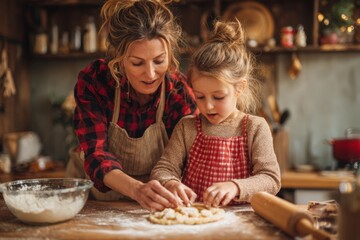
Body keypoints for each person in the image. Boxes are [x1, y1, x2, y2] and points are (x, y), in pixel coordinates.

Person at [65, 0, 198, 211]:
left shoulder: (178, 92)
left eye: (159, 60)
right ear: (119, 57)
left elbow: (189, 156)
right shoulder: (96, 82)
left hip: (161, 203)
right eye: (137, 63)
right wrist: (137, 190)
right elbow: (96, 154)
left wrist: (172, 182)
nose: (151, 74)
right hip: (96, 205)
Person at [150, 19, 281, 208]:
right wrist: (171, 183)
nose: (208, 106)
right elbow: (163, 169)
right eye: (200, 97)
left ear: (240, 88)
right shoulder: (187, 127)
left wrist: (235, 187)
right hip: (195, 222)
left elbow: (271, 179)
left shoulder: (254, 127)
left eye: (218, 97)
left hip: (241, 224)